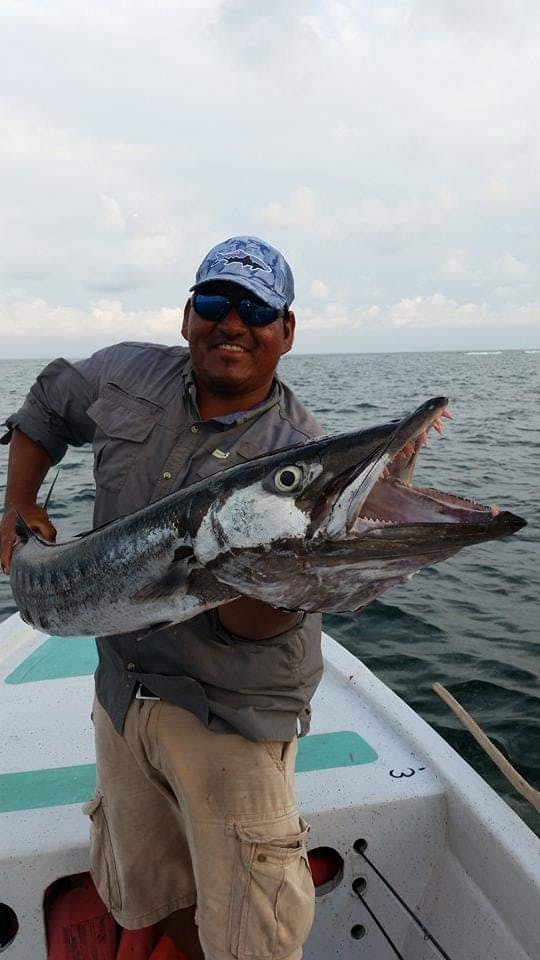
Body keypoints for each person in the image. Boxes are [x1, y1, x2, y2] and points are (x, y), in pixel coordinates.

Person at [0, 236, 324, 960]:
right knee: (161, 886)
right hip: (124, 689)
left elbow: (258, 626)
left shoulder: (297, 452)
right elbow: (47, 405)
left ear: (286, 331)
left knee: (252, 932)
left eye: (255, 309)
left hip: (229, 712)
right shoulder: (125, 374)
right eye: (215, 301)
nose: (231, 322)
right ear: (187, 315)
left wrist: (243, 578)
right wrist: (19, 501)